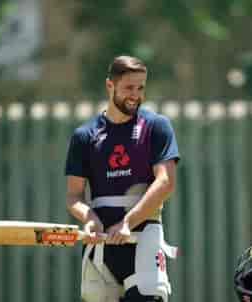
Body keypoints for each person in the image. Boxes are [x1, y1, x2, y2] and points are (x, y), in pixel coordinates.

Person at [65, 55, 180, 302]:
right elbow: (74, 196)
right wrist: (90, 219)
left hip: (143, 241)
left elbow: (165, 182)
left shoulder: (157, 126)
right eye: (129, 87)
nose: (136, 95)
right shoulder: (84, 136)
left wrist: (128, 221)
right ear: (110, 86)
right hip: (100, 249)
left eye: (140, 88)